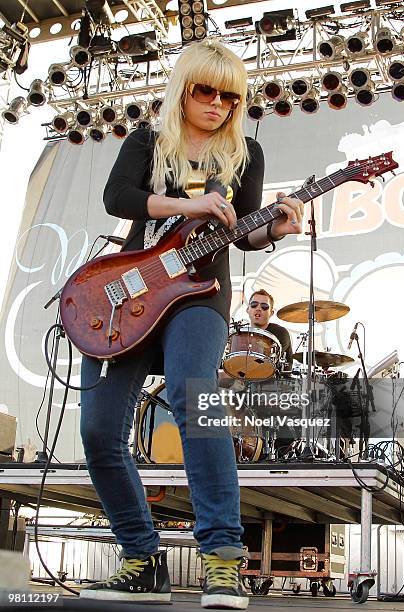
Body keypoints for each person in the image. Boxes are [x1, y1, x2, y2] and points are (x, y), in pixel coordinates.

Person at [79, 39, 303, 610]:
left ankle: (224, 561)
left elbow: (245, 232)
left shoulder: (245, 153)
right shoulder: (147, 142)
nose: (219, 104)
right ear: (184, 88)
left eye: (231, 96)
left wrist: (275, 228)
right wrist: (188, 206)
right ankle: (140, 558)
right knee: (100, 432)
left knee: (194, 397)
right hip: (129, 293)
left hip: (200, 295)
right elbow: (117, 198)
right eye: (207, 90)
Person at [247, 289, 293, 364]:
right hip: (242, 373)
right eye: (254, 305)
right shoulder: (241, 335)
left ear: (271, 313)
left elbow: (265, 362)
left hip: (275, 375)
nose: (258, 308)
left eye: (264, 306)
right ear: (248, 309)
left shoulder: (280, 333)